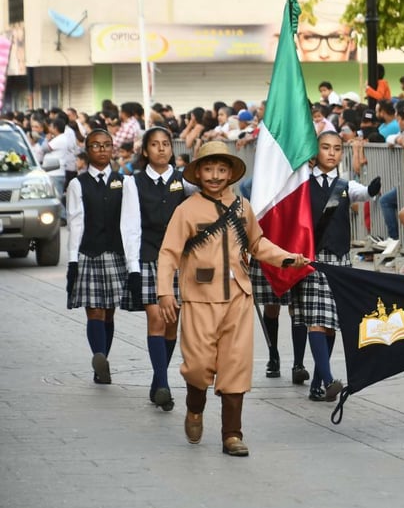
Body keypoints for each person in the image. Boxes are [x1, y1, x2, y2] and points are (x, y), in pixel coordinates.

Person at [156, 141, 309, 457]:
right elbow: (168, 252)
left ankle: (232, 435)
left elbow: (258, 243)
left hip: (238, 298)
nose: (215, 175)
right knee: (198, 366)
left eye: (221, 169)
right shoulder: (185, 210)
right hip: (199, 299)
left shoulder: (242, 206)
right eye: (209, 169)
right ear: (198, 172)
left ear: (230, 174)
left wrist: (287, 258)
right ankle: (195, 409)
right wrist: (164, 292)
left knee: (235, 366)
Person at [288, 131, 381, 401]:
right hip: (310, 260)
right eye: (325, 147)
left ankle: (318, 382)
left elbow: (361, 193)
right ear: (314, 151)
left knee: (329, 324)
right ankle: (328, 379)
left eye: (337, 148)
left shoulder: (344, 184)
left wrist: (372, 190)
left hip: (340, 261)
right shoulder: (301, 183)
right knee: (317, 321)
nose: (331, 153)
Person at [119, 127, 193, 411]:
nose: (161, 149)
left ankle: (156, 379)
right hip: (148, 257)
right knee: (157, 320)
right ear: (145, 151)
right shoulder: (133, 183)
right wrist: (133, 268)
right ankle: (163, 384)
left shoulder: (184, 180)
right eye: (155, 144)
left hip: (178, 260)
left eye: (166, 144)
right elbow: (130, 227)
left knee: (172, 323)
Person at [66, 129, 127, 385]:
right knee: (95, 313)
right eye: (95, 145)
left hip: (115, 253)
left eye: (106, 145)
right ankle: (98, 356)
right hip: (88, 254)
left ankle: (102, 362)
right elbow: (75, 223)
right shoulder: (77, 184)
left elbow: (130, 222)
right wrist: (72, 261)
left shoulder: (124, 181)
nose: (102, 150)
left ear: (113, 148)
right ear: (87, 150)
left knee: (109, 314)